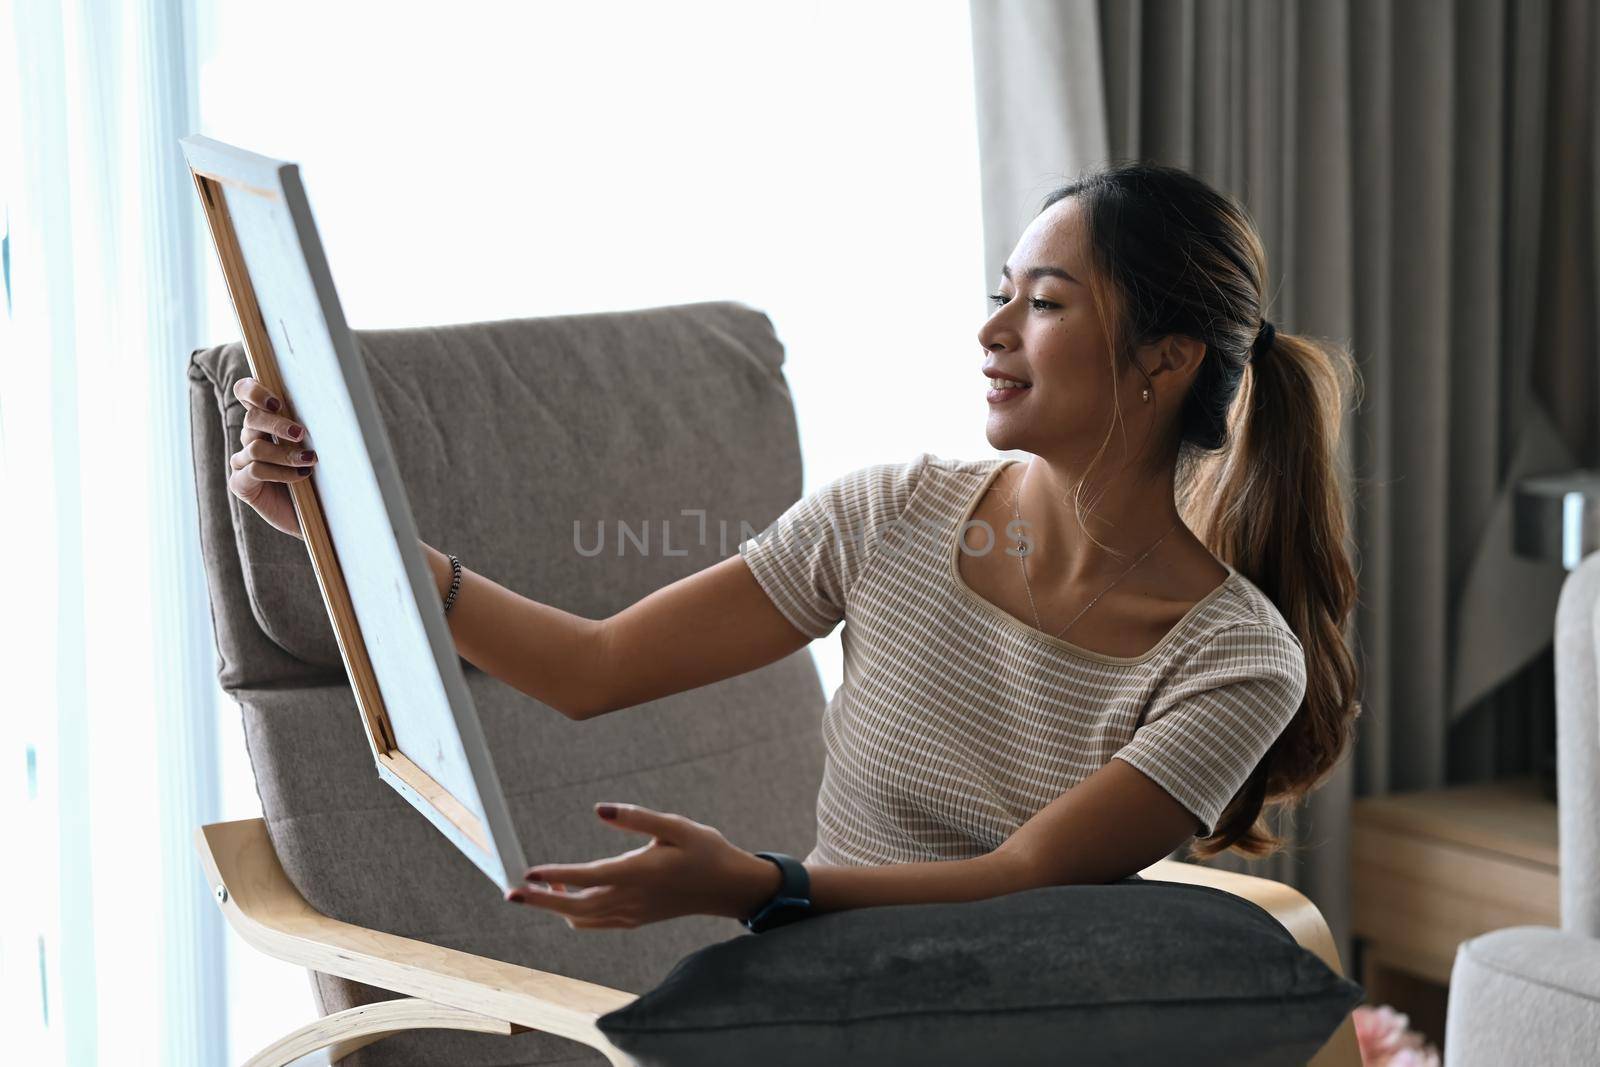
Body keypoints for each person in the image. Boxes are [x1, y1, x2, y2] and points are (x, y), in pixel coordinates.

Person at [227, 160, 1361, 934]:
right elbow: (592, 668)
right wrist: (350, 528)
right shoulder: (889, 515)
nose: (990, 330)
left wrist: (757, 886)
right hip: (821, 993)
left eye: (1045, 304)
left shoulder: (1238, 659)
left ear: (1161, 360)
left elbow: (1022, 884)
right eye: (997, 294)